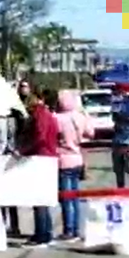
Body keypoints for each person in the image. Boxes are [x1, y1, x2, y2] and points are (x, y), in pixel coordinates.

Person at [55, 89, 94, 241]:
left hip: (63, 160)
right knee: (75, 196)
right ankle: (76, 228)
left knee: (65, 197)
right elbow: (91, 134)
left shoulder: (57, 118)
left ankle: (68, 230)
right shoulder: (80, 117)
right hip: (77, 158)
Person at [24, 90, 59, 247]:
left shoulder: (40, 115)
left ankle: (42, 235)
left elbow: (40, 136)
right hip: (47, 157)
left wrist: (23, 150)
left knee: (39, 199)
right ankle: (45, 232)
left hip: (41, 158)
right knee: (42, 199)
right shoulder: (45, 114)